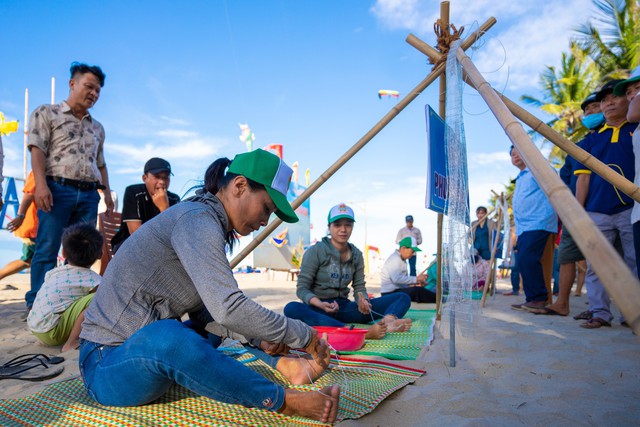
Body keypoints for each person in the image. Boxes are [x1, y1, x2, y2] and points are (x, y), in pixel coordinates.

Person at [79, 149, 339, 423]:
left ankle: (286, 366)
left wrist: (259, 339)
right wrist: (303, 335)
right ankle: (282, 400)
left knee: (219, 330)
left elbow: (210, 314)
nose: (265, 222)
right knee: (171, 336)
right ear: (240, 185)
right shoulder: (196, 219)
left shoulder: (206, 223)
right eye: (266, 208)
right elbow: (229, 307)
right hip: (105, 363)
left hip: (140, 353)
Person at [26, 62, 113, 314]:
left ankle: (72, 303)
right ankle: (37, 304)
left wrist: (107, 192)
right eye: (89, 86)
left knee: (81, 251)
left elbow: (101, 162)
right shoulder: (47, 113)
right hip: (56, 189)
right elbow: (37, 150)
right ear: (72, 84)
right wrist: (41, 186)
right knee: (47, 246)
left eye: (98, 90)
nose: (94, 94)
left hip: (88, 194)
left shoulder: (98, 127)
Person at [284, 203, 412, 340]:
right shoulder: (315, 251)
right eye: (337, 225)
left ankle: (388, 323)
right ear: (329, 227)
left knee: (402, 297)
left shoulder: (356, 254)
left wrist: (363, 301)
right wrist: (320, 304)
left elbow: (359, 287)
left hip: (344, 308)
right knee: (291, 308)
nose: (343, 229)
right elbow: (302, 289)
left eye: (348, 225)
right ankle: (355, 332)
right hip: (318, 309)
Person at [573, 79, 638, 329]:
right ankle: (599, 311)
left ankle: (631, 313)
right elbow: (583, 180)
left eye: (614, 97)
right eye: (603, 100)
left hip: (631, 208)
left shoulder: (636, 130)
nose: (608, 102)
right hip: (597, 210)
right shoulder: (589, 142)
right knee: (596, 265)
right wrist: (578, 214)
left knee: (633, 261)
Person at [532, 92, 601, 316]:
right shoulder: (579, 145)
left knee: (601, 261)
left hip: (595, 208)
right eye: (587, 109)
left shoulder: (612, 138)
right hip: (574, 209)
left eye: (595, 107)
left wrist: (576, 211)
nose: (590, 112)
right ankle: (563, 302)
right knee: (567, 258)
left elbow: (584, 178)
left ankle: (602, 309)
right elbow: (574, 178)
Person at [27, 223, 102, 352]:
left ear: (63, 252)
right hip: (52, 332)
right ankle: (71, 342)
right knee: (100, 297)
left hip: (35, 326)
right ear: (100, 254)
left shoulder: (54, 272)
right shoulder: (92, 279)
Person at [509, 145, 558, 312]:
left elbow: (555, 188)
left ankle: (539, 298)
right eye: (512, 154)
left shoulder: (539, 169)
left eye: (518, 152)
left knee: (529, 258)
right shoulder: (521, 177)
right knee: (523, 261)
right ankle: (532, 299)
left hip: (539, 221)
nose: (515, 156)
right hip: (524, 226)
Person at [111, 157, 180, 253]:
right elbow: (136, 235)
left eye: (165, 177)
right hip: (127, 246)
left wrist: (164, 208)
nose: (162, 182)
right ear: (144, 178)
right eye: (157, 177)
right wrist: (164, 210)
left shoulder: (174, 199)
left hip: (160, 249)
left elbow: (176, 235)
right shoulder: (134, 192)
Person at [616, 67, 640, 276]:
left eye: (638, 89)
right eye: (629, 92)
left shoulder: (634, 115)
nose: (633, 95)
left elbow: (632, 113)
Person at [1, 172, 38, 282]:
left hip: (33, 226)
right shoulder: (39, 171)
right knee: (43, 260)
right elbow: (29, 193)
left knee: (28, 260)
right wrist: (20, 216)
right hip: (34, 227)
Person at [381, 237, 435, 303]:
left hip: (395, 291)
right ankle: (440, 299)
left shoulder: (401, 260)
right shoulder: (394, 259)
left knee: (418, 290)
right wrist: (416, 279)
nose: (413, 254)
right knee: (418, 291)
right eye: (412, 251)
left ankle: (438, 298)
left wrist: (417, 283)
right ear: (403, 248)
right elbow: (396, 279)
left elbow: (401, 281)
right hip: (389, 294)